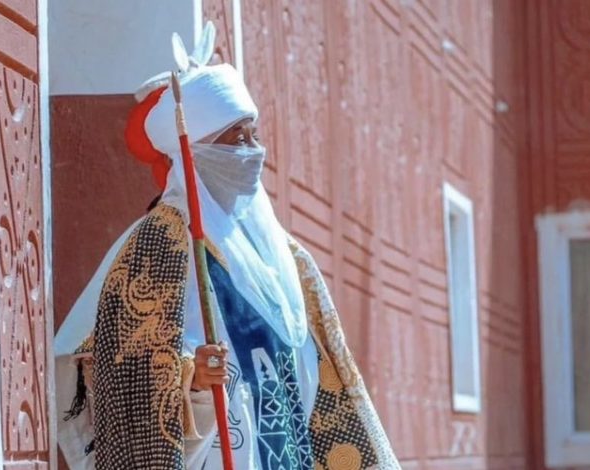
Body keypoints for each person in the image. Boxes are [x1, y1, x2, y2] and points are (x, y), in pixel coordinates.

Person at [54, 22, 401, 470]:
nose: (253, 151)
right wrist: (191, 380)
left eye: (253, 135)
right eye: (236, 139)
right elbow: (114, 365)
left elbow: (321, 369)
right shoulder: (158, 243)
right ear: (194, 151)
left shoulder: (285, 255)